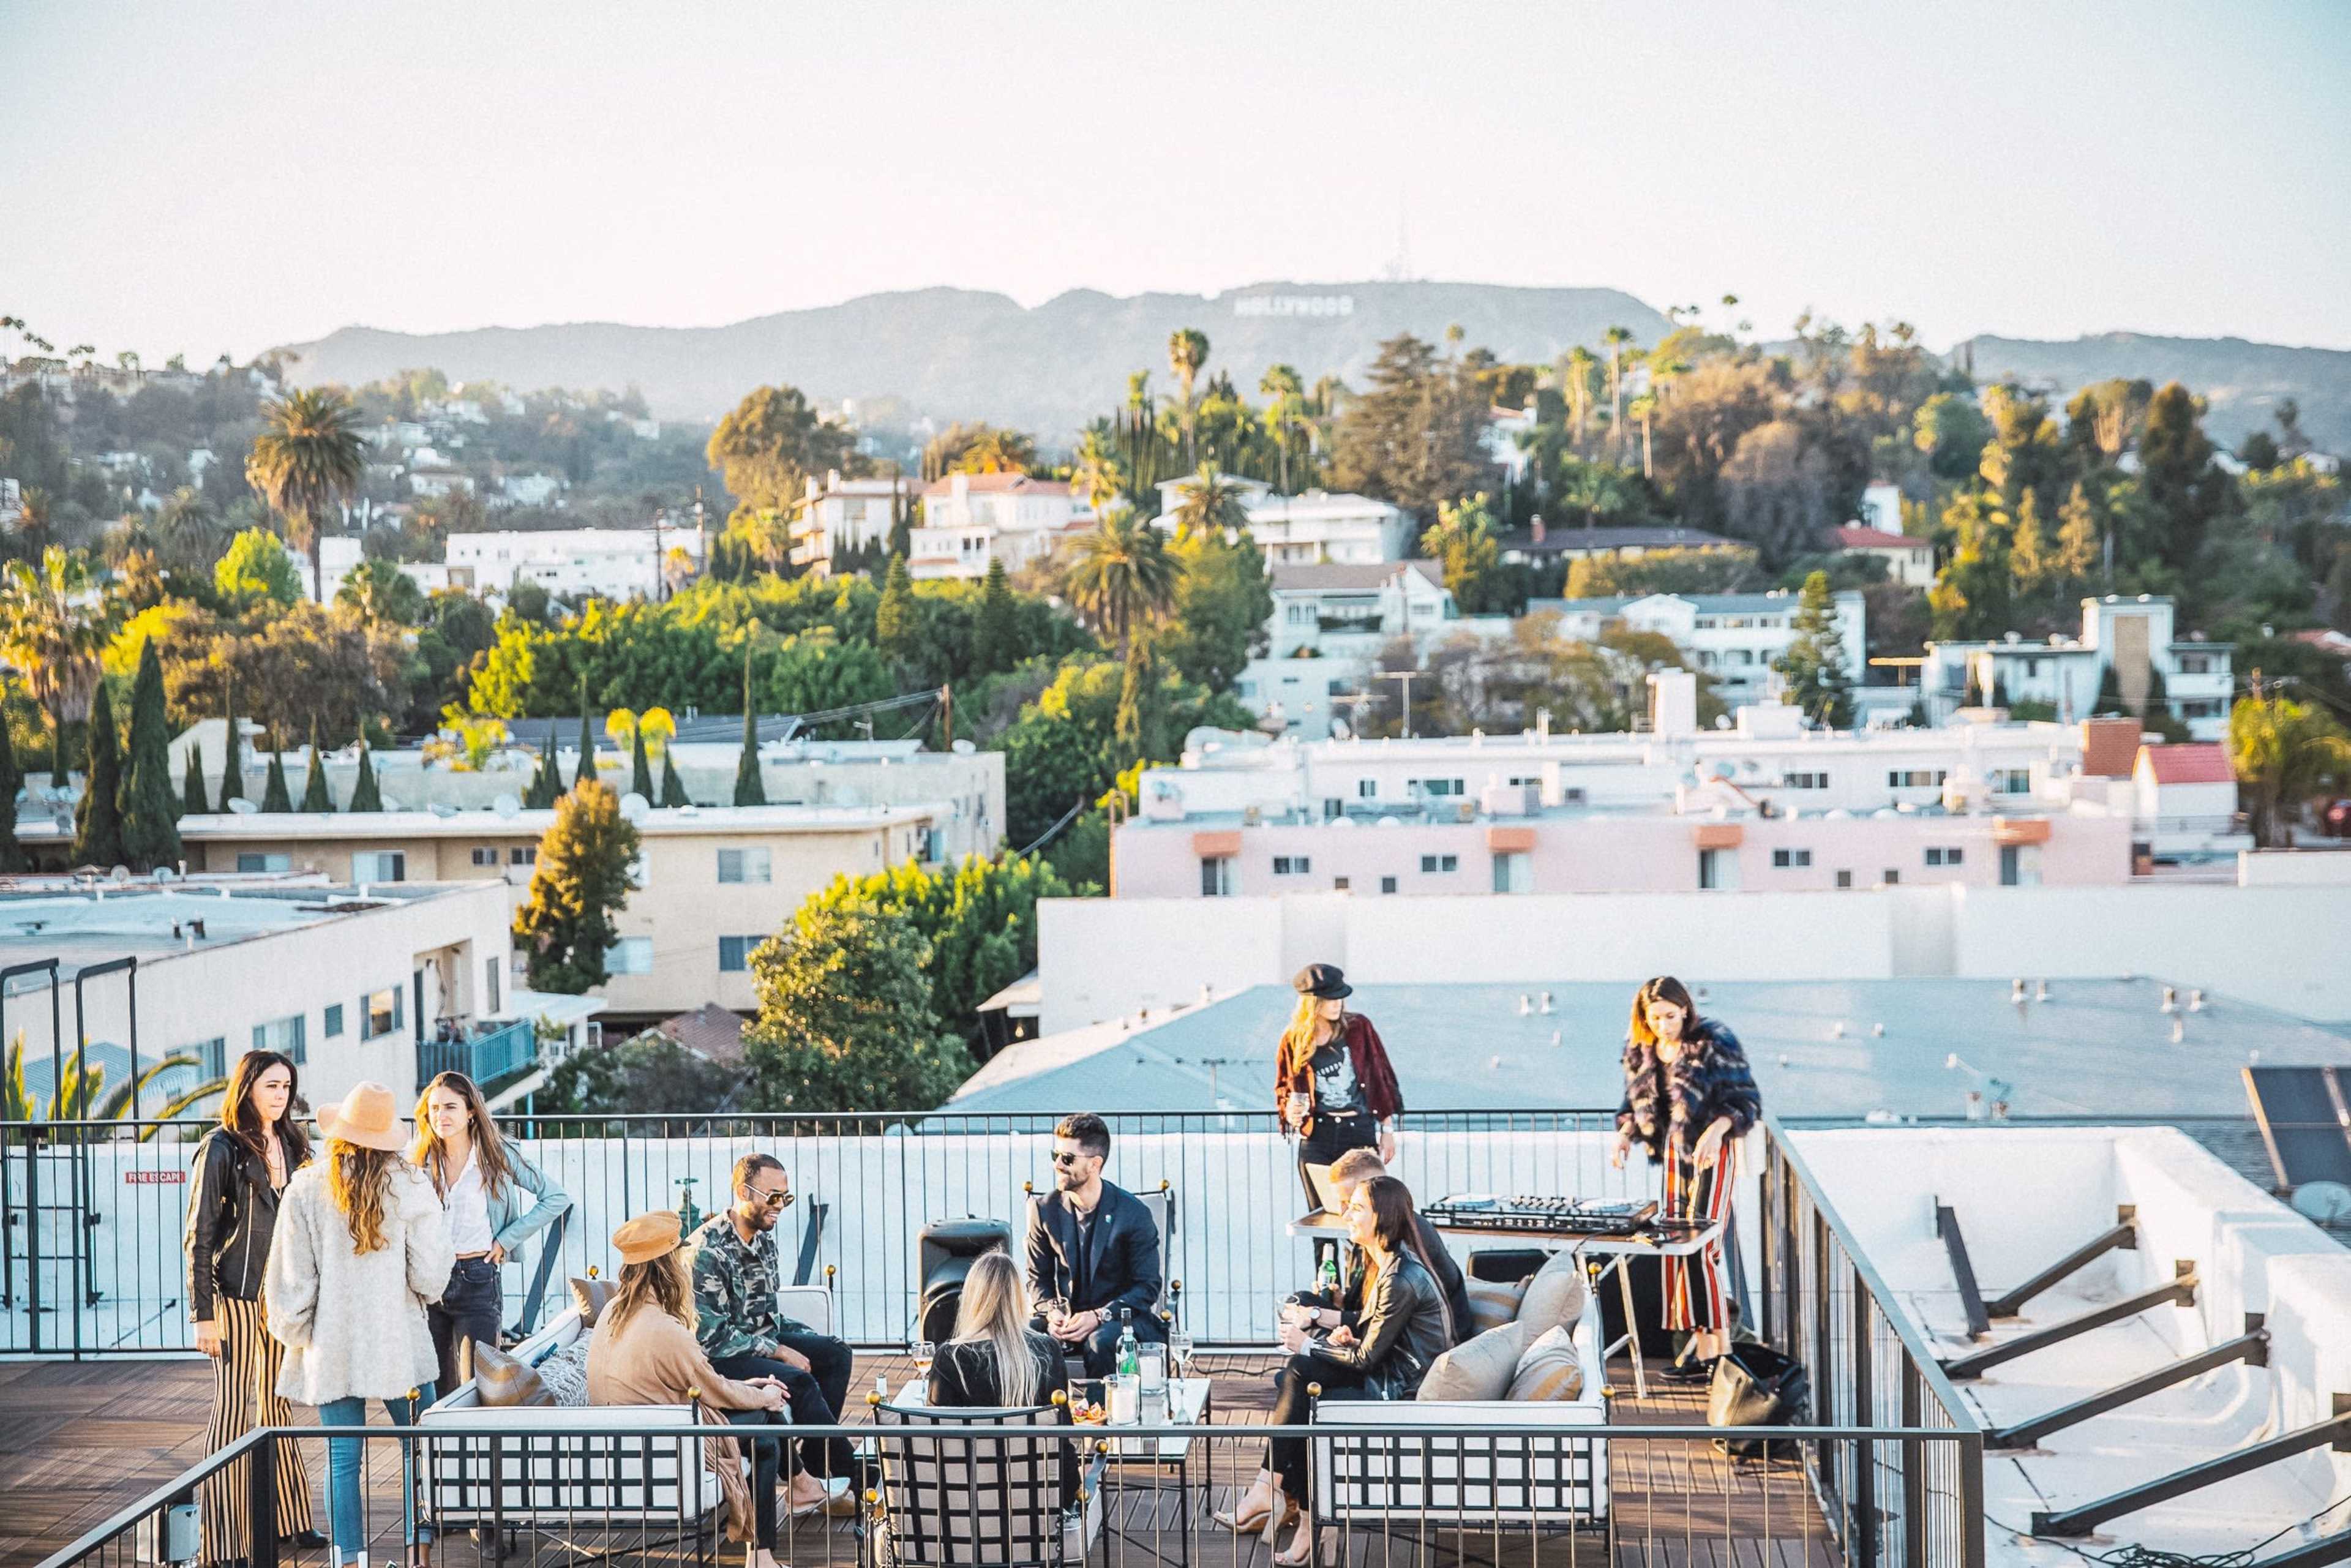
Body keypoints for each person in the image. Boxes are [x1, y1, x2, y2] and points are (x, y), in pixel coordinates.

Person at [1214, 1177, 1450, 1566]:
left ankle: (1301, 1519)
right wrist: (1343, 1339)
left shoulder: (1400, 1277)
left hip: (1399, 1393)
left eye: (1357, 1208)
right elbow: (1379, 1339)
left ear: (1383, 1218)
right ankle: (1272, 1493)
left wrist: (1310, 1343)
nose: (1346, 1215)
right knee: (1301, 1371)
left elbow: (1369, 1362)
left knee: (1313, 1400)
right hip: (1391, 1373)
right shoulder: (1392, 1264)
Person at [265, 1081, 453, 1568]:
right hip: (399, 1339)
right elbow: (431, 1271)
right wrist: (421, 1294)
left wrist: (301, 1333)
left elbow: (291, 1282)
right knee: (420, 1450)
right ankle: (418, 1555)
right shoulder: (412, 1184)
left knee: (343, 1460)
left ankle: (349, 1563)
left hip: (335, 1342)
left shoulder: (306, 1187)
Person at [589, 1211, 800, 1568]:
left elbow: (700, 1384)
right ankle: (762, 1554)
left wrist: (747, 1387)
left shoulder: (613, 1311)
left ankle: (784, 1512)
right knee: (766, 1432)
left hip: (629, 1435)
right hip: (663, 1445)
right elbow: (713, 1389)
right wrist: (763, 1394)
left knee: (764, 1416)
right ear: (668, 1266)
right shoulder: (664, 1330)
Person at [184, 1049, 327, 1563]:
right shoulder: (220, 1147)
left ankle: (289, 1519)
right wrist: (203, 1314)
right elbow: (199, 1235)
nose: (280, 1095)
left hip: (282, 1297)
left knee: (277, 1402)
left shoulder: (291, 1141)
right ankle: (222, 1542)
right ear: (247, 1087)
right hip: (236, 1296)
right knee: (232, 1411)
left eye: (286, 1085)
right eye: (270, 1085)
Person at [688, 1153, 857, 1513]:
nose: (780, 1206)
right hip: (720, 1358)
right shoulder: (708, 1251)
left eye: (786, 1198)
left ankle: (813, 1470)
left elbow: (770, 1315)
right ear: (743, 1192)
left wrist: (805, 1339)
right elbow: (711, 1337)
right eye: (773, 1196)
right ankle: (858, 1478)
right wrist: (778, 1350)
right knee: (799, 1381)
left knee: (835, 1353)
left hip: (754, 1341)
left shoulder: (764, 1240)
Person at [1610, 975, 1762, 1368]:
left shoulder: (1713, 1042)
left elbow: (1745, 1102)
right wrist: (1625, 1133)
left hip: (1713, 1153)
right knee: (1677, 1247)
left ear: (1686, 1011)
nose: (1665, 1025)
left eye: (1672, 1016)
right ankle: (1699, 1350)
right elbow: (1635, 1105)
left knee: (1705, 1247)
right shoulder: (1641, 1050)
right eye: (1656, 1017)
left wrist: (1716, 1130)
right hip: (1675, 1157)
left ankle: (1721, 1353)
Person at [410, 1070, 572, 1400]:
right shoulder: (419, 1159)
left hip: (478, 1280)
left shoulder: (496, 1154)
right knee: (437, 1389)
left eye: (451, 1107)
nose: (441, 1115)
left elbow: (556, 1198)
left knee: (480, 1387)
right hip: (430, 1281)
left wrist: (506, 1240)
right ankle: (441, 1453)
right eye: (435, 1107)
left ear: (471, 1112)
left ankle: (480, 1453)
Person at [929, 1250, 1086, 1502]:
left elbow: (938, 1443)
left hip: (967, 1508)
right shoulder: (1047, 1350)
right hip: (1038, 1506)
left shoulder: (949, 1359)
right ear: (1018, 1299)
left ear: (972, 1298)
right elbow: (1062, 1436)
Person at [1022, 1112, 1167, 1377]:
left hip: (1123, 1319)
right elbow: (1037, 1279)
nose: (1058, 1166)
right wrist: (1051, 1313)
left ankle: (1101, 1417)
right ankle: (1040, 1416)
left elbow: (1147, 1287)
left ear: (1095, 1164)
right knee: (1023, 1336)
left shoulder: (1133, 1214)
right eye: (1055, 1156)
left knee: (1101, 1343)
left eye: (1067, 1159)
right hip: (1068, 1318)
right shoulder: (1043, 1209)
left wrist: (1100, 1316)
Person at [1275, 964, 1402, 1212]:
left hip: (1358, 1133)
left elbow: (1380, 1076)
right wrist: (1290, 1112)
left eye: (1340, 998)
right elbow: (1283, 1088)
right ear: (1313, 1003)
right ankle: (1326, 1255)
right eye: (1330, 999)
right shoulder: (1294, 1039)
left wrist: (1387, 1130)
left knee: (1367, 1215)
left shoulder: (1359, 1028)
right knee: (1321, 1218)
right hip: (1317, 1137)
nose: (1338, 1004)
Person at [1319, 1147, 1470, 1347]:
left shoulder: (1408, 1238)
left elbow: (1390, 1316)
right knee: (1303, 1304)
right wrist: (1340, 1302)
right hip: (1391, 1332)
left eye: (1351, 1202)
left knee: (1305, 1347)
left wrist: (1321, 1316)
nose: (1342, 1212)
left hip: (1424, 1343)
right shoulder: (1376, 1231)